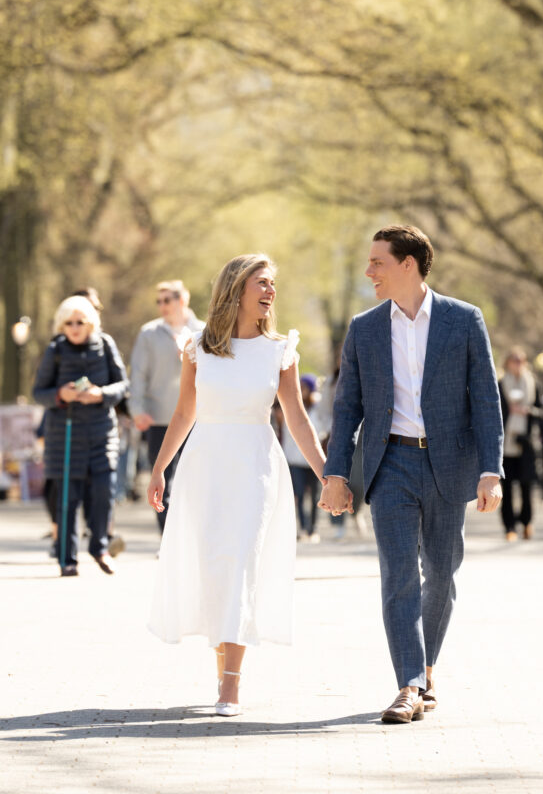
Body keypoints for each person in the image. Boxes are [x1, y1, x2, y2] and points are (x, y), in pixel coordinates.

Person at [321, 224, 504, 724]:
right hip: (391, 463)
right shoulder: (365, 327)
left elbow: (486, 400)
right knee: (399, 574)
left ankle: (424, 668)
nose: (369, 272)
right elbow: (347, 406)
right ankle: (409, 684)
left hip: (449, 464)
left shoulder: (463, 320)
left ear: (409, 264)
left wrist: (492, 470)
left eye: (378, 262)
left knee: (441, 575)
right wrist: (335, 473)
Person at [147, 254, 327, 716]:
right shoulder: (197, 347)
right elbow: (185, 412)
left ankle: (231, 685)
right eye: (262, 283)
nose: (270, 291)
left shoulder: (280, 350)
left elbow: (297, 419)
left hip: (255, 467)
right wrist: (159, 468)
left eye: (273, 285)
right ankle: (222, 668)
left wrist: (330, 475)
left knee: (242, 562)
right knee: (214, 569)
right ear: (236, 288)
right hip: (204, 466)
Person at [32, 296, 129, 576]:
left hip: (101, 434)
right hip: (64, 436)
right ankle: (67, 558)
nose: (74, 327)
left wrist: (102, 394)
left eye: (80, 322)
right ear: (62, 325)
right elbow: (40, 392)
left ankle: (100, 547)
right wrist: (60, 395)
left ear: (91, 324)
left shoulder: (106, 344)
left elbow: (122, 385)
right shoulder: (55, 350)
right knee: (66, 500)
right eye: (69, 322)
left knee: (103, 492)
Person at [129, 279, 203, 532]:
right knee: (162, 483)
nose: (162, 306)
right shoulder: (148, 333)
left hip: (198, 419)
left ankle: (193, 539)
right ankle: (169, 539)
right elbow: (137, 374)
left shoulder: (204, 331)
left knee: (195, 482)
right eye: (158, 301)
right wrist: (137, 410)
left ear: (182, 300)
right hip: (159, 418)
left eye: (167, 300)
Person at [498, 347, 542, 541]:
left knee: (526, 487)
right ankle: (509, 526)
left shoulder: (534, 384)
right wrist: (510, 410)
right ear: (507, 362)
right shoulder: (500, 384)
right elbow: (493, 410)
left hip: (526, 443)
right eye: (514, 359)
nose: (518, 363)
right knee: (506, 489)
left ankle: (527, 523)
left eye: (521, 360)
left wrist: (527, 411)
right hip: (505, 443)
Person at [281, 374, 323, 542]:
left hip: (311, 460)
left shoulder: (318, 409)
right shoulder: (287, 405)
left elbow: (323, 427)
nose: (303, 391)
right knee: (298, 494)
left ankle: (313, 528)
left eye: (306, 387)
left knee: (314, 497)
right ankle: (303, 527)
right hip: (294, 459)